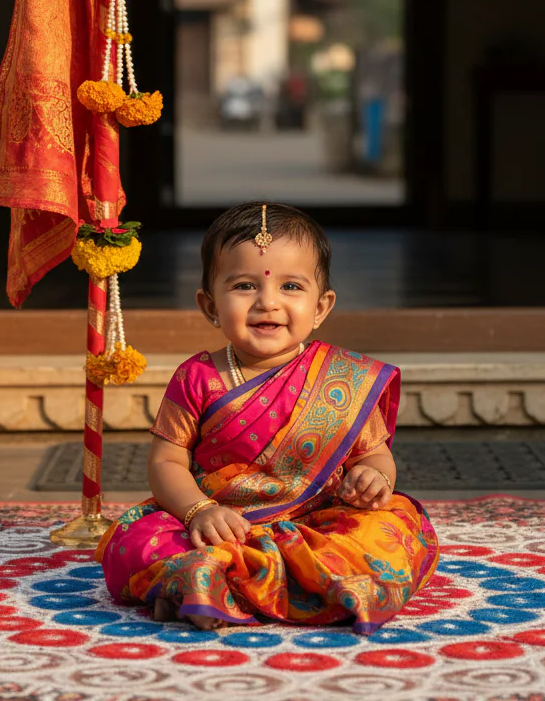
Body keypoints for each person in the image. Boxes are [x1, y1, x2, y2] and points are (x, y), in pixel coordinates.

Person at [94, 201, 439, 633]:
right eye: (243, 285)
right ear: (209, 305)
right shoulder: (197, 377)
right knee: (137, 541)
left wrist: (374, 480)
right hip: (221, 524)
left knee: (392, 527)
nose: (267, 302)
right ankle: (213, 584)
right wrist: (198, 510)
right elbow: (166, 463)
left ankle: (208, 590)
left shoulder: (343, 380)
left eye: (291, 286)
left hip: (317, 521)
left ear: (321, 307)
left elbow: (374, 455)